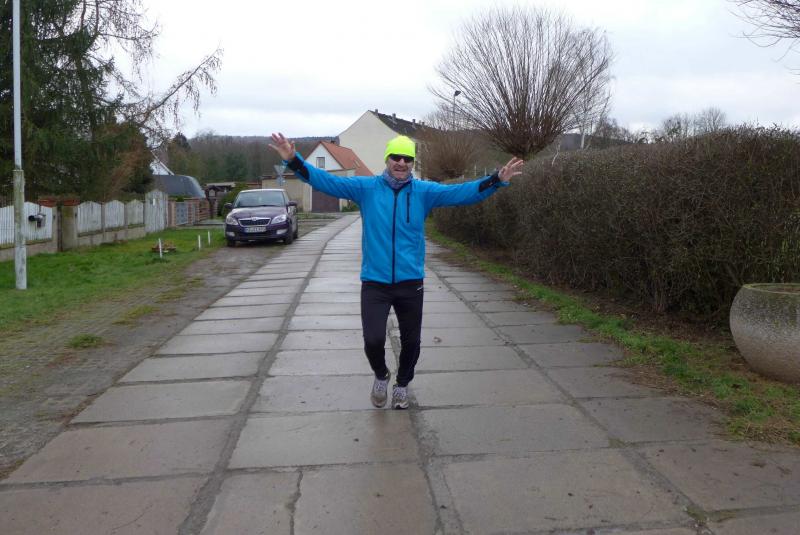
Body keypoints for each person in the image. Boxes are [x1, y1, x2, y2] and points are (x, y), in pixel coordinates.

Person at [269, 132, 523, 409]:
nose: (401, 163)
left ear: (412, 163)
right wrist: (293, 160)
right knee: (373, 340)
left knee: (411, 342)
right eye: (396, 157)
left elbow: (462, 193)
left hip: (410, 282)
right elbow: (325, 181)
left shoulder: (424, 192)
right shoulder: (366, 188)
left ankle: (402, 385)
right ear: (387, 159)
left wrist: (496, 180)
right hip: (375, 282)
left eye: (407, 158)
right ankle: (381, 375)